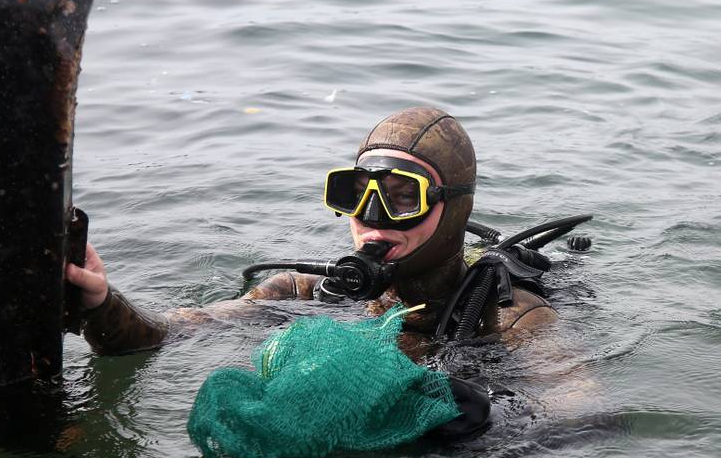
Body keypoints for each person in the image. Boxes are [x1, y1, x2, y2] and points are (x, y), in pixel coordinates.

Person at [66, 107, 557, 358]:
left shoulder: (511, 320)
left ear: (452, 209)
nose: (372, 216)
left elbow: (581, 427)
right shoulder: (303, 292)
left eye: (402, 196)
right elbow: (160, 337)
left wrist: (489, 430)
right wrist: (99, 301)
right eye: (357, 193)